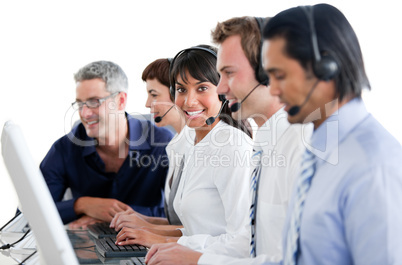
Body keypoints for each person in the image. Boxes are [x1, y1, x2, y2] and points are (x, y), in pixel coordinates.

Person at [144, 16, 313, 265]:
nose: (221, 88)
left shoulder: (300, 143)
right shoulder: (265, 141)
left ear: (268, 72)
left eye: (229, 73)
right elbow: (250, 238)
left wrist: (194, 257)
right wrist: (180, 248)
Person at [113, 45, 254, 250]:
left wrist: (160, 239)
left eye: (202, 88)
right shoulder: (194, 143)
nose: (189, 101)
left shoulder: (232, 147)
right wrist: (150, 233)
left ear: (223, 92)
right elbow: (198, 231)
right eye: (181, 89)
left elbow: (243, 241)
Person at [40, 60, 174, 227]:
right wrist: (83, 205)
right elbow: (29, 214)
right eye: (80, 103)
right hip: (87, 247)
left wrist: (110, 216)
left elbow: (181, 217)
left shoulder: (162, 143)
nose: (84, 113)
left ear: (120, 101)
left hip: (150, 246)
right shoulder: (65, 149)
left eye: (94, 102)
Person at [110, 58, 194, 230]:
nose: (147, 104)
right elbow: (179, 223)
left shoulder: (197, 147)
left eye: (154, 94)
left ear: (177, 93)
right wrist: (142, 219)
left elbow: (198, 229)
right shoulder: (175, 145)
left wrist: (148, 230)